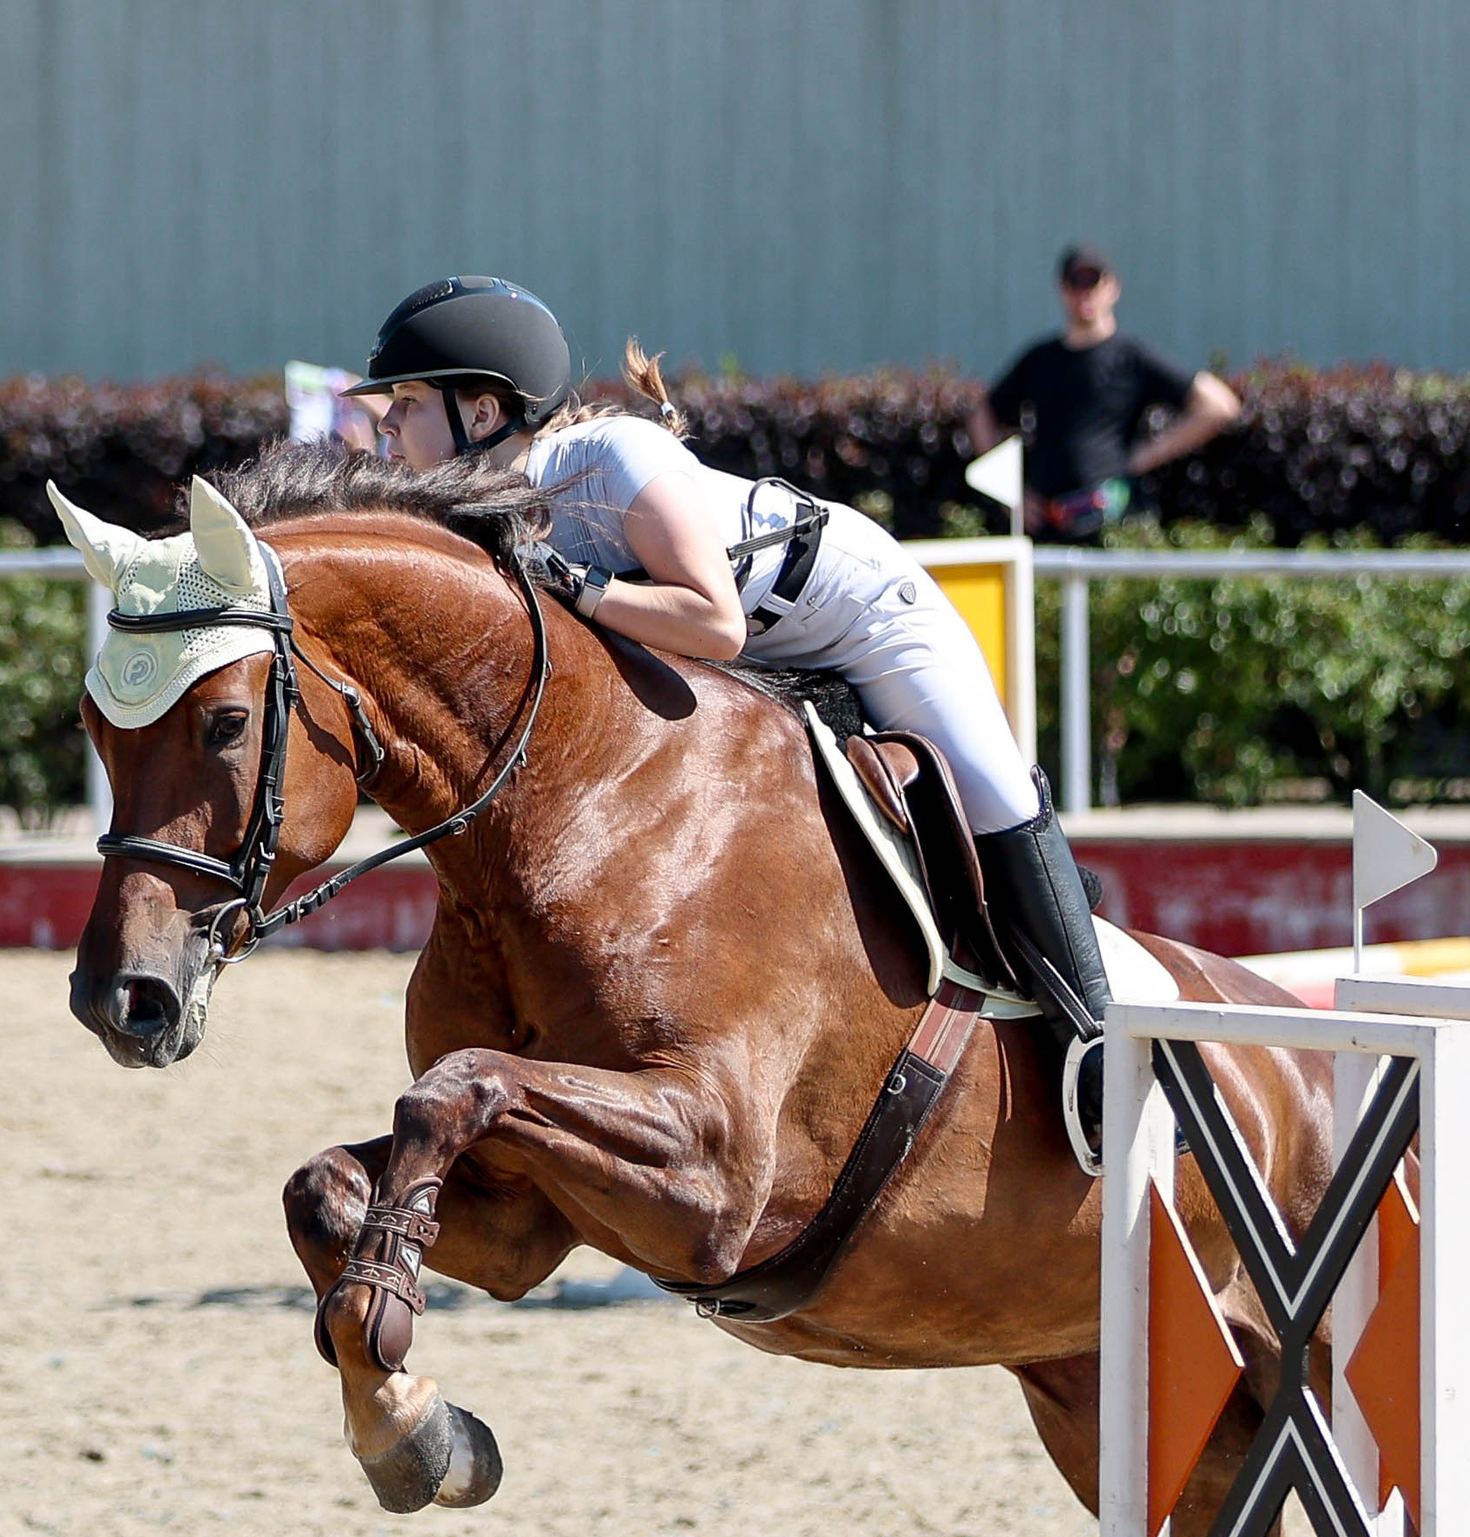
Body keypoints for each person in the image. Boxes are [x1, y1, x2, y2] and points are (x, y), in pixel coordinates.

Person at [345, 275, 1112, 1151]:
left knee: (993, 797)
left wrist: (579, 589)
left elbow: (711, 618)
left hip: (865, 621)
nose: (386, 429)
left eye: (403, 404)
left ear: (481, 413)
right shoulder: (482, 513)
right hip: (759, 658)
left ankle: (1100, 1048)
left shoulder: (609, 456)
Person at [968, 244, 1240, 542]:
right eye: (1076, 283)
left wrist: (1147, 456)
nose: (1085, 293)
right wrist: (1011, 494)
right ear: (1062, 290)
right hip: (1047, 525)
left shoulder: (1132, 357)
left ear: (1112, 288)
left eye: (1093, 282)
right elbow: (982, 415)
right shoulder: (1039, 359)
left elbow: (1219, 406)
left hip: (1114, 526)